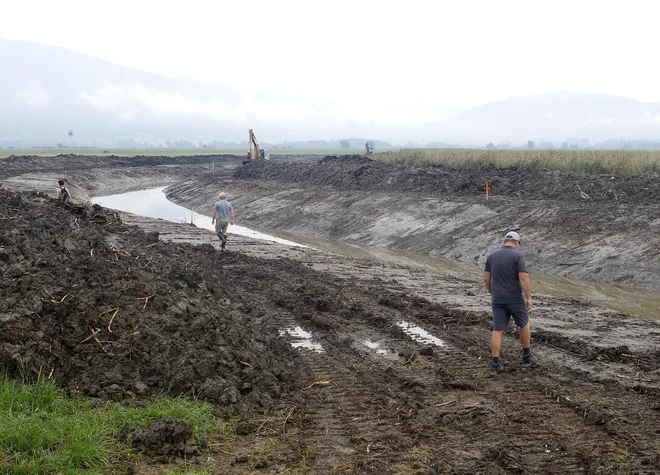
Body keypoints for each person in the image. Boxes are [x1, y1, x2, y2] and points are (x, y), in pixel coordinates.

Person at [484, 231, 536, 376]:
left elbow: (487, 279)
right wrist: (529, 297)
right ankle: (526, 357)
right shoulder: (518, 255)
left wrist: (491, 291)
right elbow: (524, 277)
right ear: (516, 242)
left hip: (498, 299)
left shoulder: (492, 256)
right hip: (514, 299)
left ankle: (495, 363)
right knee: (524, 324)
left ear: (505, 241)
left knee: (498, 329)